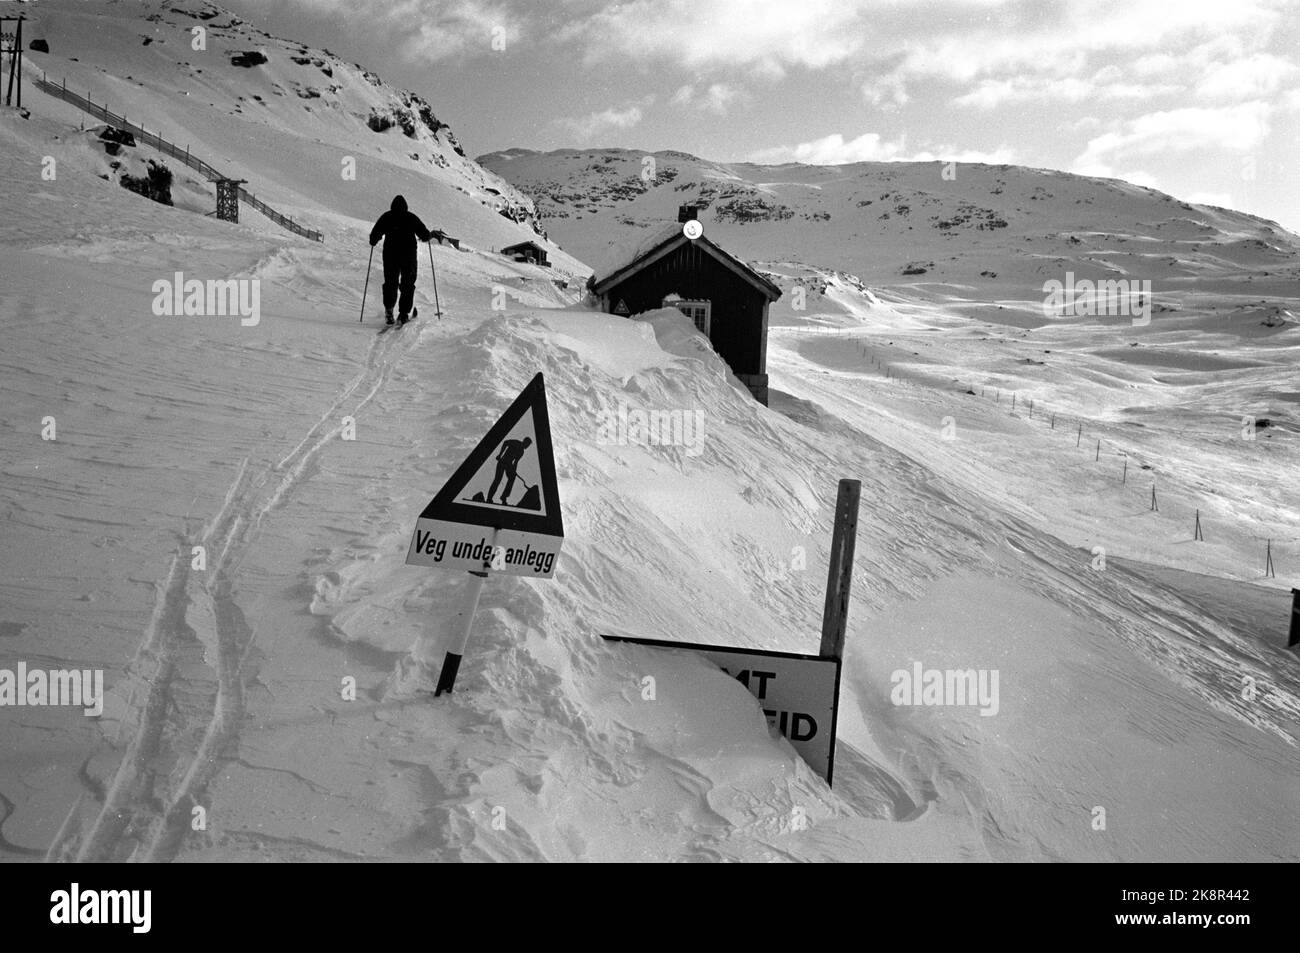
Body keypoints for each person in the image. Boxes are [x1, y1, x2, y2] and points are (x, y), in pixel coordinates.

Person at [369, 195, 433, 324]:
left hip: (390, 254)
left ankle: (389, 310)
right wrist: (428, 236)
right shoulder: (411, 217)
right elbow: (424, 235)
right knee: (407, 283)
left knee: (390, 282)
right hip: (408, 255)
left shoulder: (387, 217)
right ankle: (403, 314)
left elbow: (375, 234)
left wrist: (374, 240)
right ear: (405, 206)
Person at [488, 436, 531, 504]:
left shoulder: (521, 452)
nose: (527, 446)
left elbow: (515, 462)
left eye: (528, 445)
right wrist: (500, 454)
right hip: (502, 462)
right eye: (527, 444)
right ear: (525, 442)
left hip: (509, 465)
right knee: (497, 480)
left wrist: (514, 470)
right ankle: (489, 498)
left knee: (512, 477)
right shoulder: (516, 443)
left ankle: (504, 497)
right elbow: (505, 442)